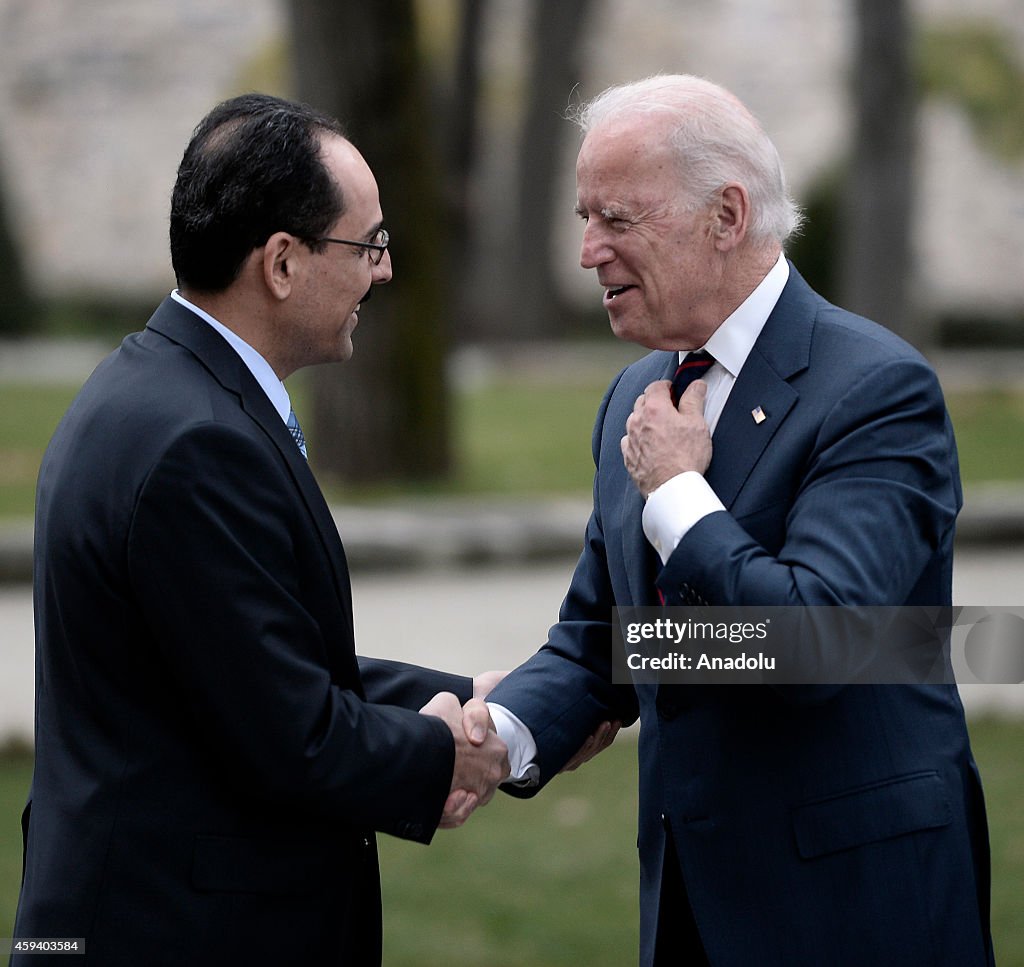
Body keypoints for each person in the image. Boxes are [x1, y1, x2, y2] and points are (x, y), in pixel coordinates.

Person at [483, 75, 994, 966]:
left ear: (727, 215)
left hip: (856, 906)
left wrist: (681, 493)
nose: (586, 251)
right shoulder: (635, 397)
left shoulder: (876, 390)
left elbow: (816, 642)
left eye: (617, 218)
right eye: (583, 216)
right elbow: (610, 641)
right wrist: (501, 735)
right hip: (688, 903)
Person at [12, 93, 509, 967]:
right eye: (369, 245)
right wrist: (448, 751)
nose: (384, 272)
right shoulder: (197, 442)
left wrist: (483, 694)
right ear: (282, 262)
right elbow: (295, 737)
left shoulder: (151, 388)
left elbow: (257, 665)